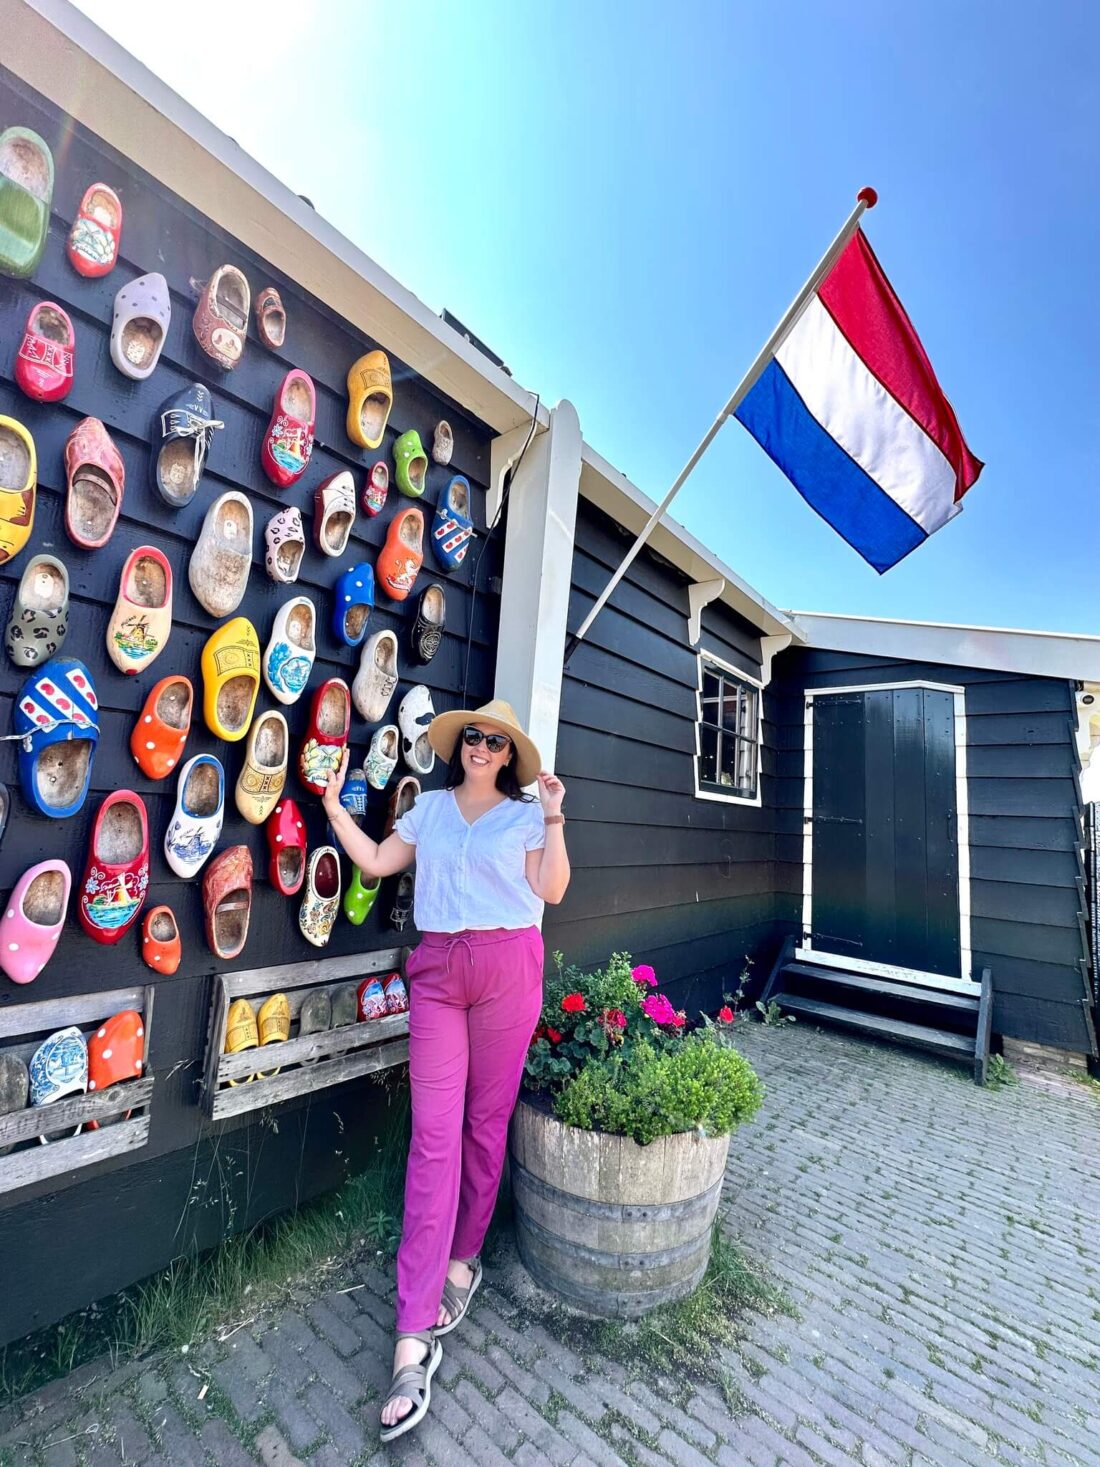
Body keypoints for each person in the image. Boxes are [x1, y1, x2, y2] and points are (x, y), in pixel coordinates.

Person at [322, 697, 569, 1441]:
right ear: (460, 743)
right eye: (474, 736)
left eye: (496, 740)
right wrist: (334, 806)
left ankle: (464, 1260)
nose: (483, 746)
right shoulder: (427, 810)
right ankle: (410, 1337)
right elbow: (372, 860)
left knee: (483, 1126)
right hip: (436, 971)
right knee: (434, 1136)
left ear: (509, 755)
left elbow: (551, 890)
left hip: (507, 967)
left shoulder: (527, 816)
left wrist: (555, 816)